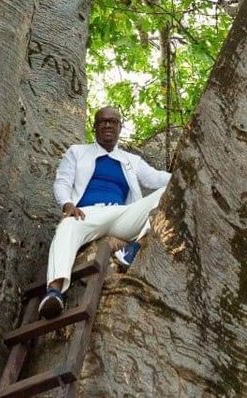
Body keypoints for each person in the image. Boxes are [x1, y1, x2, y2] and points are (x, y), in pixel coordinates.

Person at [38, 106, 171, 320]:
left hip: (121, 214)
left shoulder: (131, 160)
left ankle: (132, 249)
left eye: (113, 121)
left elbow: (156, 179)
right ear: (95, 127)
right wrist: (67, 204)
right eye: (102, 121)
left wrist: (187, 170)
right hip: (87, 214)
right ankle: (54, 292)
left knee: (165, 194)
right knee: (66, 227)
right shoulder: (77, 152)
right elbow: (62, 182)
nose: (108, 125)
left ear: (120, 127)